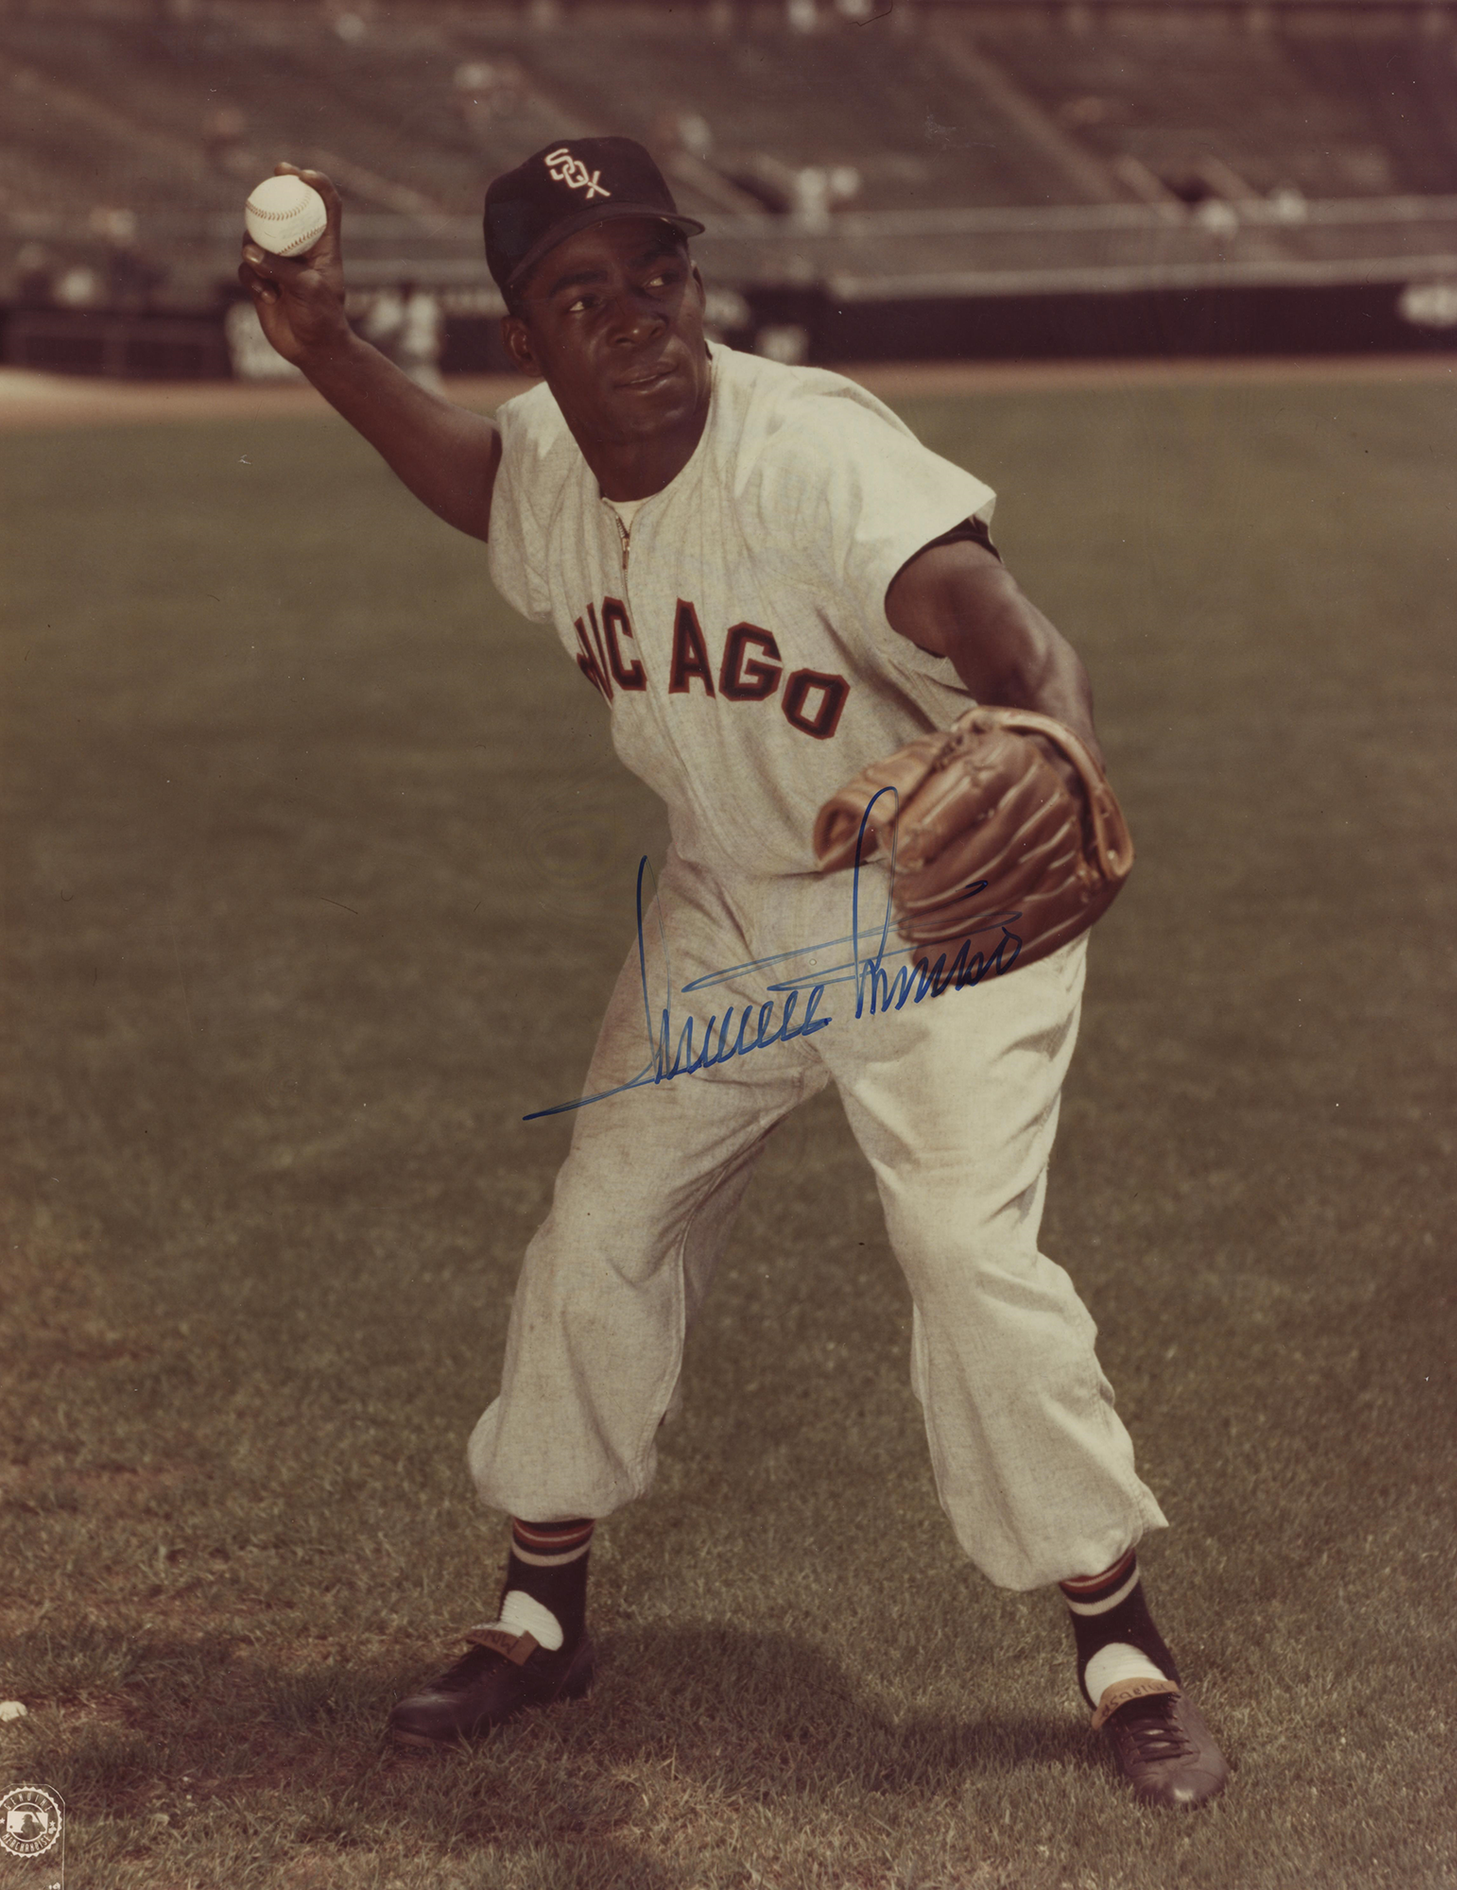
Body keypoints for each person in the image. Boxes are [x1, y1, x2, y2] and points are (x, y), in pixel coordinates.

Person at [240, 137, 1228, 1811]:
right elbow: (489, 482)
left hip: (930, 916)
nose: (637, 317)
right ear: (524, 339)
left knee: (958, 1253)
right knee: (600, 1224)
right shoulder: (552, 454)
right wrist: (328, 345)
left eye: (659, 275)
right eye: (583, 293)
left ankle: (1121, 1644)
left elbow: (1012, 634)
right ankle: (540, 1612)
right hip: (727, 912)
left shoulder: (813, 462)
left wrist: (1055, 751)